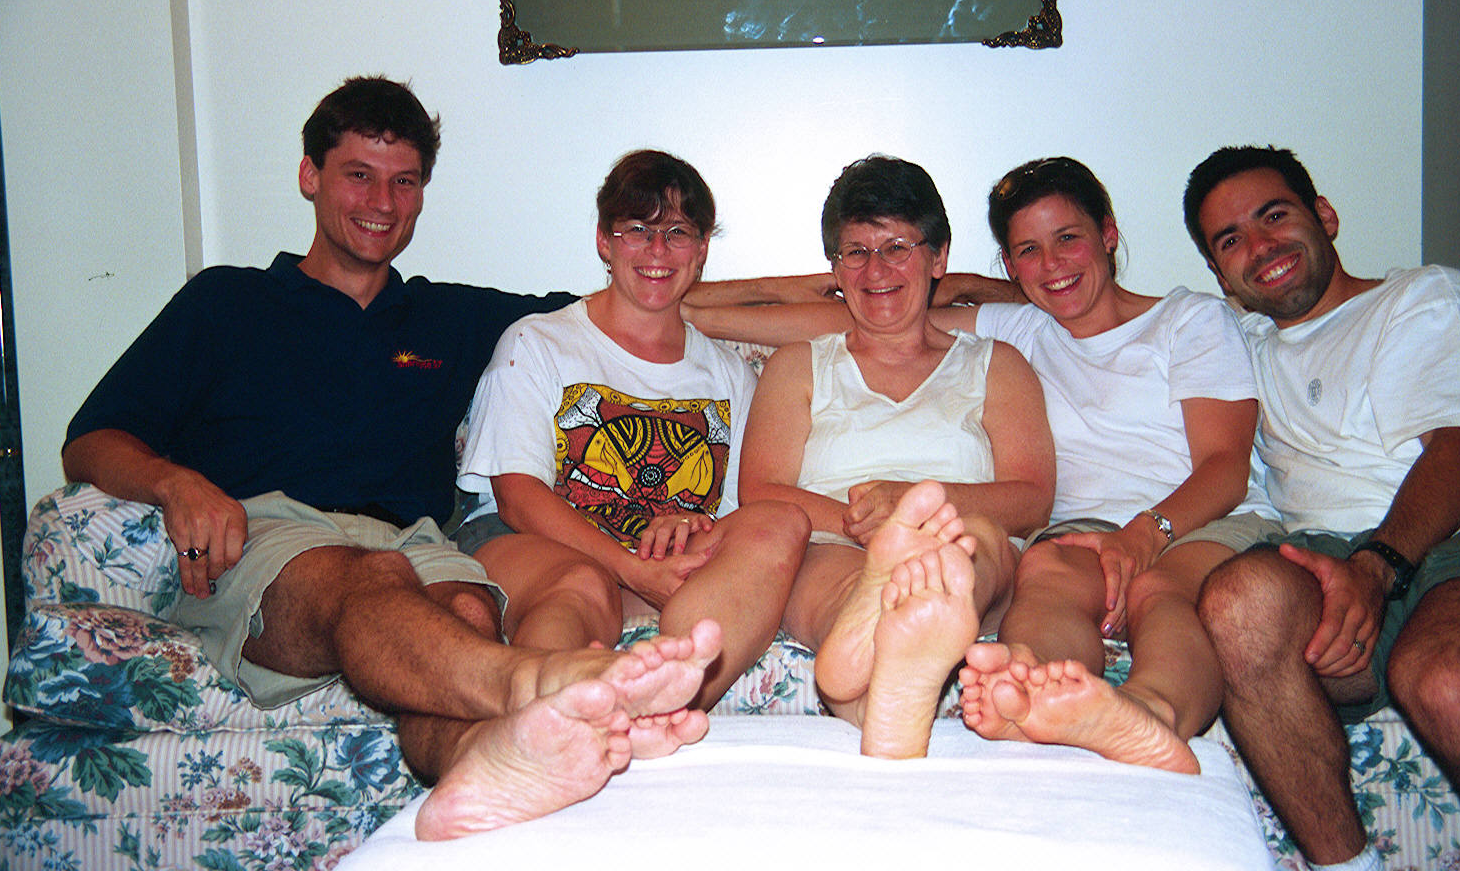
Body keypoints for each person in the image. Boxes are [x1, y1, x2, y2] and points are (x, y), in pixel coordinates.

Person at [61, 76, 721, 842]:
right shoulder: (225, 302)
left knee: (464, 615)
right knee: (376, 580)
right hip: (274, 541)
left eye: (404, 182)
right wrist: (174, 482)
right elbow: (91, 437)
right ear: (310, 176)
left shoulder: (445, 317)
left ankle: (485, 767)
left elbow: (640, 299)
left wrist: (830, 296)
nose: (382, 201)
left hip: (418, 545)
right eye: (359, 174)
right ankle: (544, 683)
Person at [1184, 145, 1460, 871]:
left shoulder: (1424, 297)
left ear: (1324, 215)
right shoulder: (1241, 339)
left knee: (1443, 677)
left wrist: (1375, 568)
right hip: (1333, 556)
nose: (1260, 246)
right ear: (1220, 274)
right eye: (1230, 240)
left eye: (1274, 216)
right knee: (1236, 603)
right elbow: (1097, 304)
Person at [943, 157, 1280, 774]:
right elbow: (880, 314)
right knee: (1045, 568)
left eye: (1068, 238)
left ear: (1108, 233)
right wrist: (716, 302)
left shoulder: (1189, 319)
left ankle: (1151, 714)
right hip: (1088, 533)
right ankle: (1031, 694)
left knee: (1159, 588)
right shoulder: (1022, 329)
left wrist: (1143, 537)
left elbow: (1225, 466)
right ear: (1010, 266)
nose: (1052, 265)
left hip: (1203, 517)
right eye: (1028, 250)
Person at [454, 149, 810, 709]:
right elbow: (518, 496)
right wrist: (626, 568)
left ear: (701, 250)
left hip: (664, 562)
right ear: (605, 241)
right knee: (583, 583)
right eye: (638, 230)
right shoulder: (538, 342)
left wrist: (692, 523)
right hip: (536, 546)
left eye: (678, 232)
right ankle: (545, 724)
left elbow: (740, 511)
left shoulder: (730, 375)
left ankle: (667, 706)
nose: (658, 250)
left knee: (782, 521)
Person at [738, 155, 1056, 759]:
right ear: (836, 268)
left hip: (961, 538)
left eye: (896, 248)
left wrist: (915, 512)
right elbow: (762, 490)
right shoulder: (798, 365)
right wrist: (870, 526)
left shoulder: (996, 365)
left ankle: (914, 632)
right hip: (835, 544)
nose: (875, 270)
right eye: (856, 252)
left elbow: (1033, 496)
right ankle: (886, 692)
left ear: (938, 258)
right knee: (838, 583)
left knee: (979, 545)